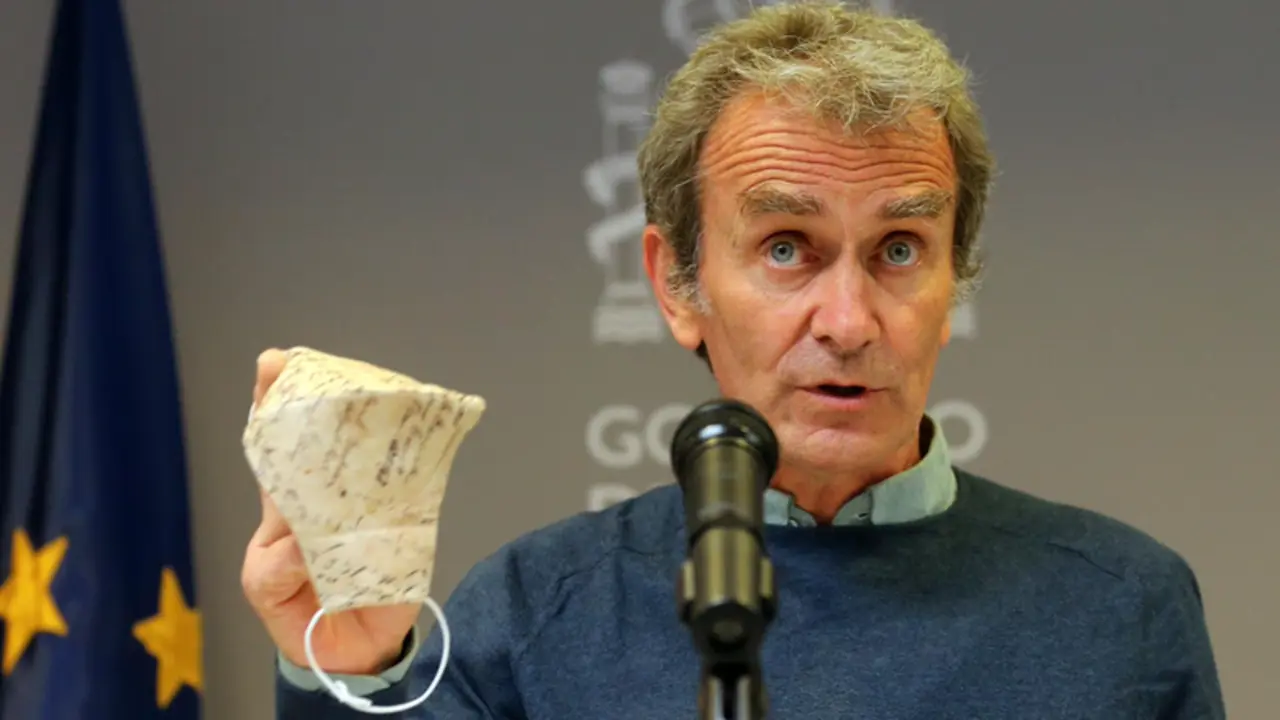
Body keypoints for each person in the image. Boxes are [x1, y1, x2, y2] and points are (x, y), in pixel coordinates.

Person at [242, 2, 1225, 718]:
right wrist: (360, 669)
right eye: (786, 247)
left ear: (952, 279)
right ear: (674, 284)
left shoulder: (1119, 603)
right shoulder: (532, 610)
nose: (846, 320)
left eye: (896, 250)